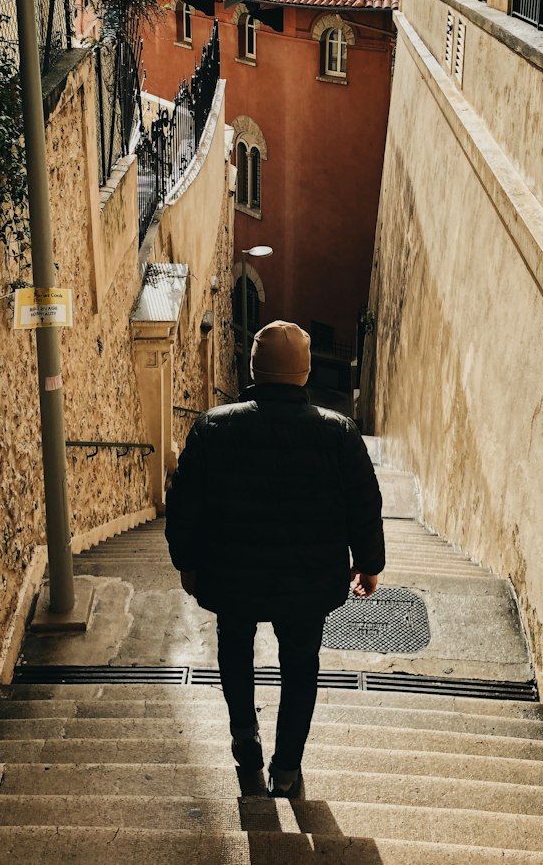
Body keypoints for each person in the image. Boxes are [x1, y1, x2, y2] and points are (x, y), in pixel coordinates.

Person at [165, 320, 385, 796]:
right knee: (301, 664)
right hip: (307, 580)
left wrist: (187, 561)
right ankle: (286, 768)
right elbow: (364, 502)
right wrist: (369, 563)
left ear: (254, 369)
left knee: (235, 650)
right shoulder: (339, 433)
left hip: (231, 574)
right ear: (305, 372)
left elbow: (184, 503)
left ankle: (245, 739)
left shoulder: (214, 427)